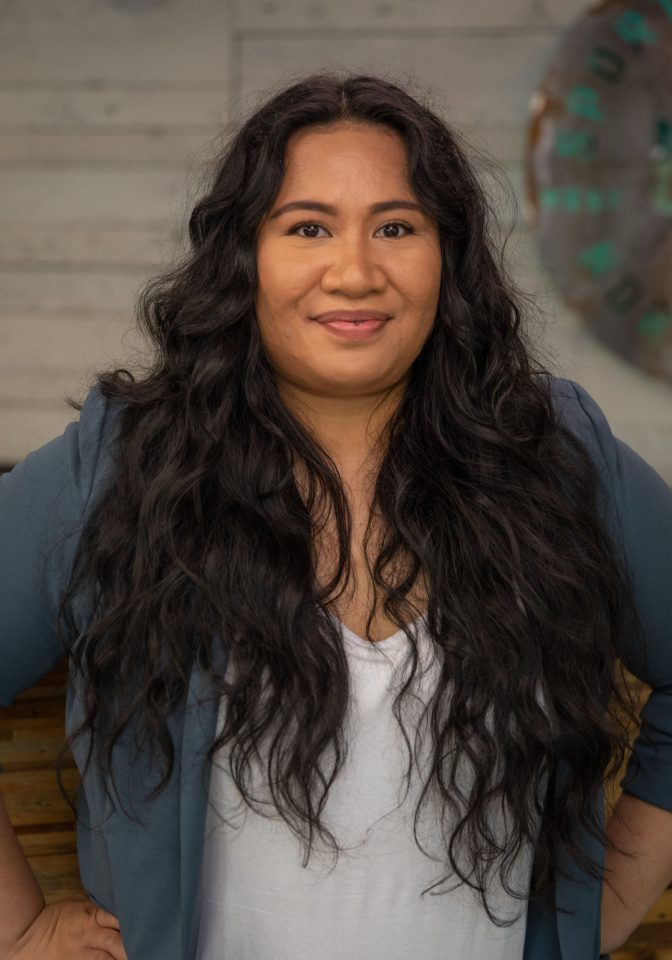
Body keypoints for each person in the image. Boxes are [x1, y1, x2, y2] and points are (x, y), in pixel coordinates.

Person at [1, 71, 671, 960]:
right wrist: (17, 929)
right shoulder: (120, 466)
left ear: (450, 256)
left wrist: (601, 907)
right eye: (307, 227)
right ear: (244, 258)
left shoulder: (554, 451)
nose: (355, 271)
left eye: (397, 227)